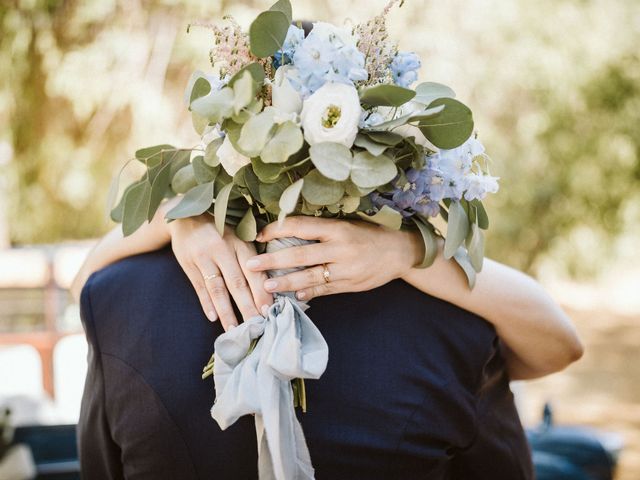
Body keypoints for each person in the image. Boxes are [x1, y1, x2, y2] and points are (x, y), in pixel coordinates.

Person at [72, 198, 583, 479]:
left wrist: (174, 214)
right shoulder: (457, 326)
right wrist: (414, 251)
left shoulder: (116, 299)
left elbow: (98, 464)